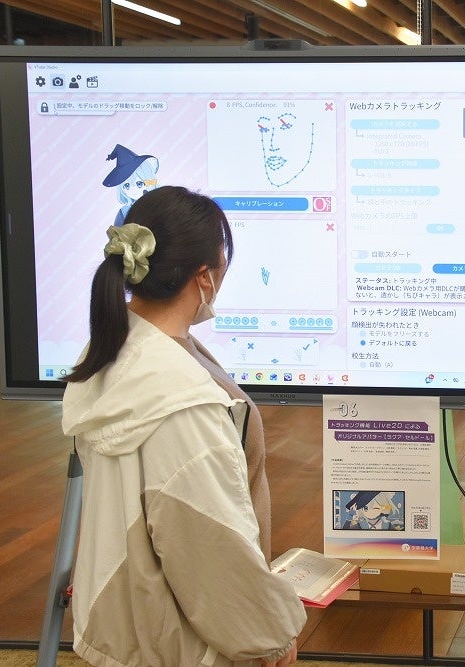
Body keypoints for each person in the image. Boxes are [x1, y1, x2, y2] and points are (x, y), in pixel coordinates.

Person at [62, 185, 304, 667]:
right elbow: (210, 546)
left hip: (133, 621)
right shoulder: (180, 401)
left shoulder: (117, 350)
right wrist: (268, 635)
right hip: (183, 642)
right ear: (204, 276)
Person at [102, 144, 160, 227]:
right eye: (127, 186)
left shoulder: (160, 204)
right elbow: (117, 233)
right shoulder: (124, 212)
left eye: (139, 184)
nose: (133, 189)